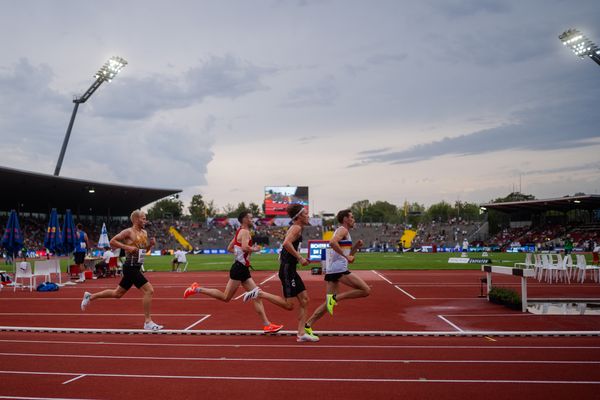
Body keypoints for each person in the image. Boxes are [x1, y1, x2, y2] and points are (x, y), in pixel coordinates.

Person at [184, 211, 286, 334]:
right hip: (239, 269)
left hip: (242, 269)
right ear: (244, 219)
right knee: (226, 297)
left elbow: (230, 248)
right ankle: (197, 289)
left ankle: (267, 325)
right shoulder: (245, 232)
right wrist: (255, 249)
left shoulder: (239, 231)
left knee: (257, 296)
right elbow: (244, 247)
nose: (252, 219)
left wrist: (240, 255)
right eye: (250, 217)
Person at [80, 210, 163, 331]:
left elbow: (143, 251)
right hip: (130, 266)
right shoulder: (128, 232)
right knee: (149, 290)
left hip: (137, 266)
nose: (145, 220)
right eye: (143, 218)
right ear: (135, 219)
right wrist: (127, 247)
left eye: (145, 218)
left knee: (117, 293)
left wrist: (150, 245)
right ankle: (148, 322)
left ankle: (90, 297)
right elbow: (112, 241)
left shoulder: (144, 233)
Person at [304, 209, 370, 335]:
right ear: (345, 219)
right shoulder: (342, 230)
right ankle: (337, 298)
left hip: (334, 269)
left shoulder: (345, 233)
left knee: (328, 305)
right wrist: (346, 257)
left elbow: (347, 256)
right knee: (366, 290)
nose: (353, 219)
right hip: (338, 270)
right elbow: (332, 242)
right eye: (351, 217)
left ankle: (308, 324)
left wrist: (355, 247)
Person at [275, 204, 319, 342]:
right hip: (288, 270)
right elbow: (286, 243)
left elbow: (287, 247)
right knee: (289, 305)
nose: (308, 216)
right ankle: (259, 293)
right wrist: (300, 257)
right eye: (305, 214)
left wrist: (301, 258)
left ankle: (301, 334)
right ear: (299, 216)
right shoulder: (297, 227)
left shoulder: (297, 228)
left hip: (290, 268)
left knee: (305, 300)